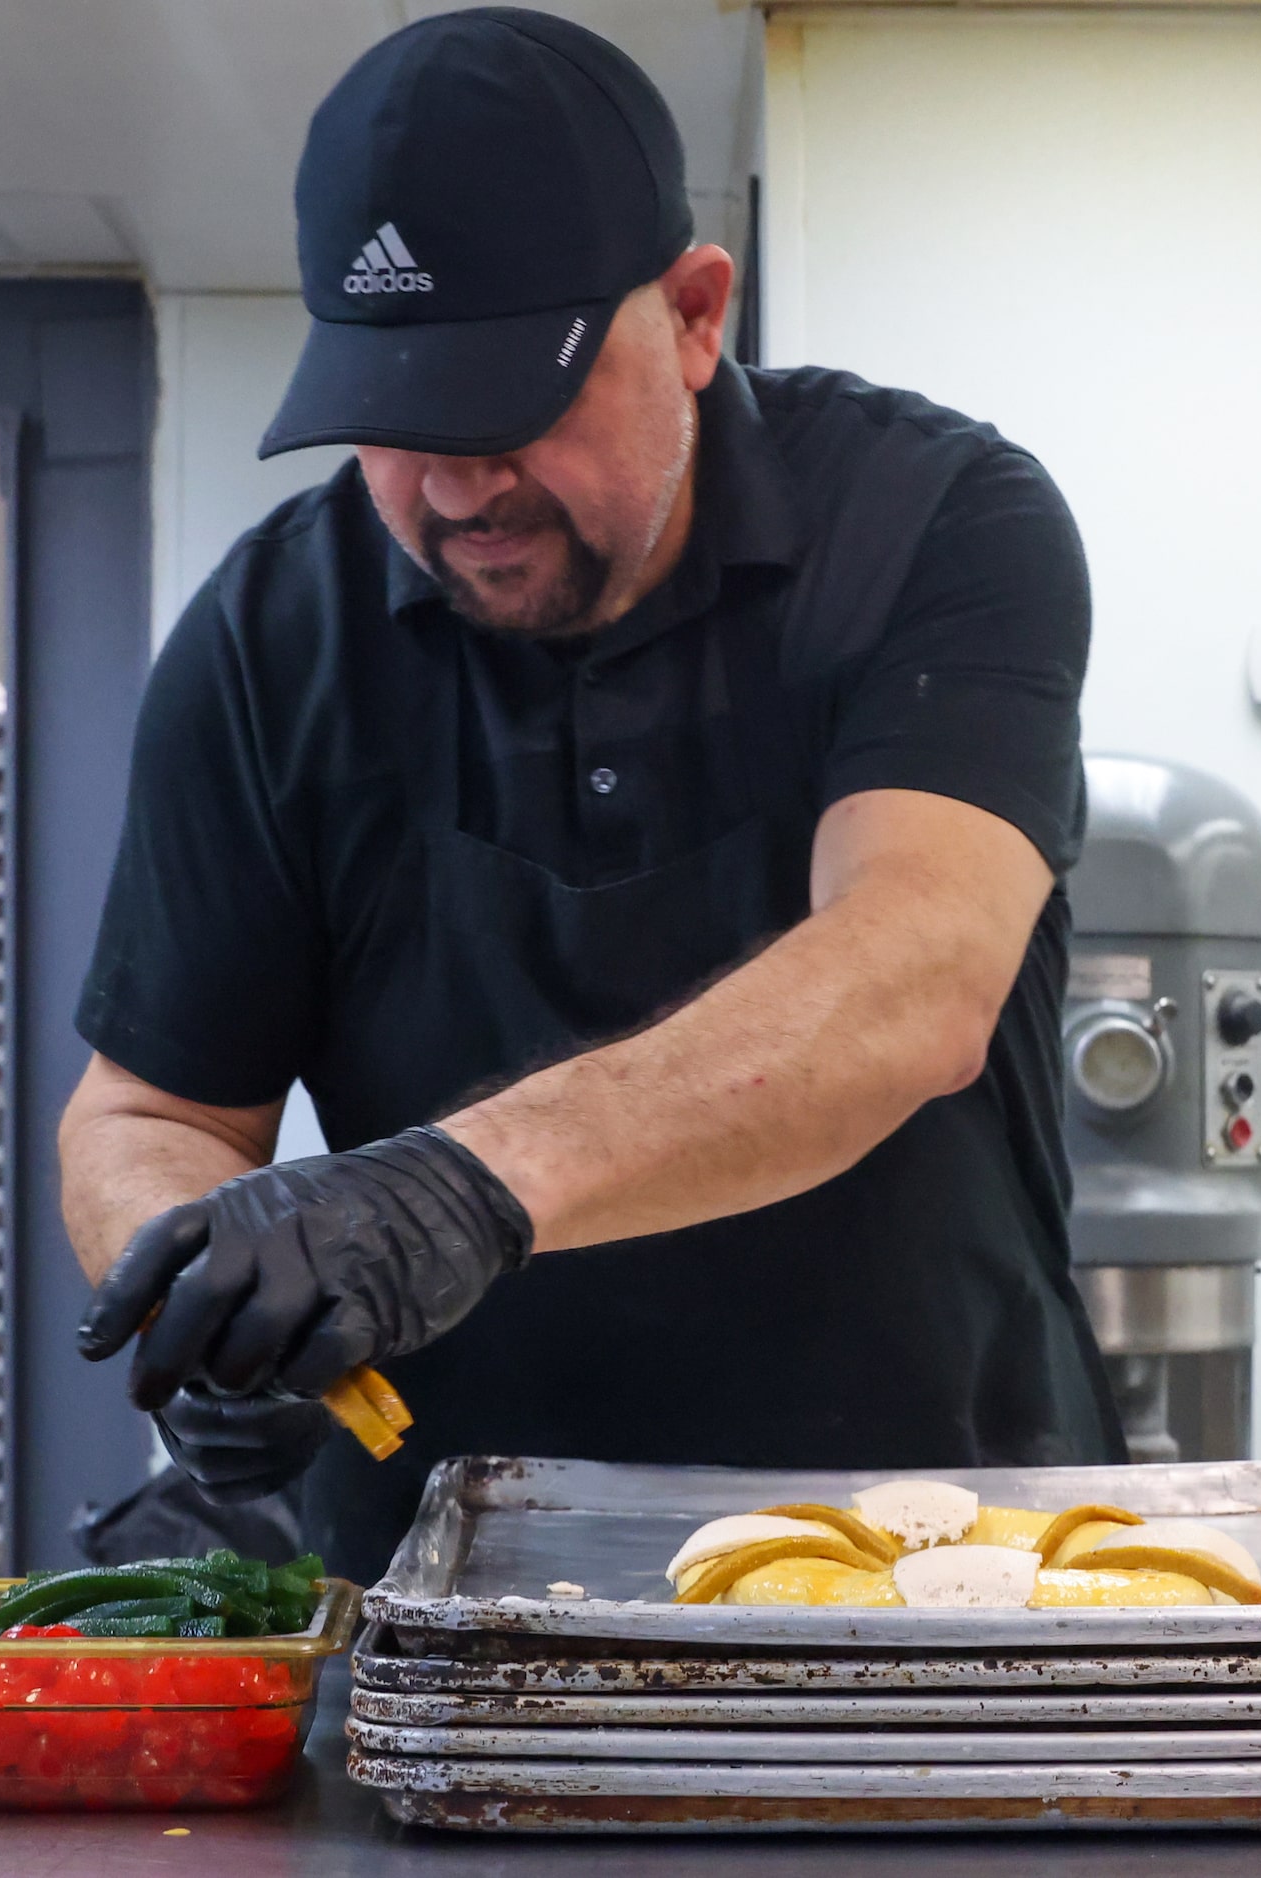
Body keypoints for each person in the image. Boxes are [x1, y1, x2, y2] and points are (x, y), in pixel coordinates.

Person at [63, 6, 1122, 1581]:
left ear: (696, 316)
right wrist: (199, 1280)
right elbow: (148, 1107)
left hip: (931, 1549)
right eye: (397, 425)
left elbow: (915, 972)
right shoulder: (270, 637)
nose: (461, 485)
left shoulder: (937, 526)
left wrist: (457, 1188)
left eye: (513, 407)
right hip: (452, 1576)